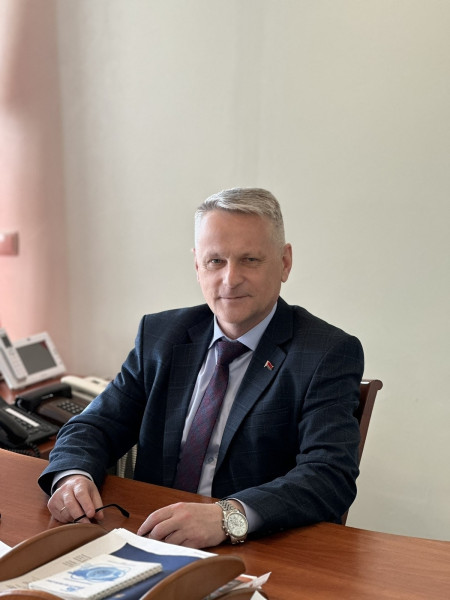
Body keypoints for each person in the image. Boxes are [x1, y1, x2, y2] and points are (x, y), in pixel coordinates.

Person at [39, 187, 364, 549]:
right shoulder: (161, 336)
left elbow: (329, 475)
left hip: (256, 550)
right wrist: (72, 476)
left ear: (285, 262)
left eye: (250, 260)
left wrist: (228, 516)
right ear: (197, 265)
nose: (230, 279)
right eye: (215, 261)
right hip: (149, 536)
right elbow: (95, 425)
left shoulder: (326, 353)